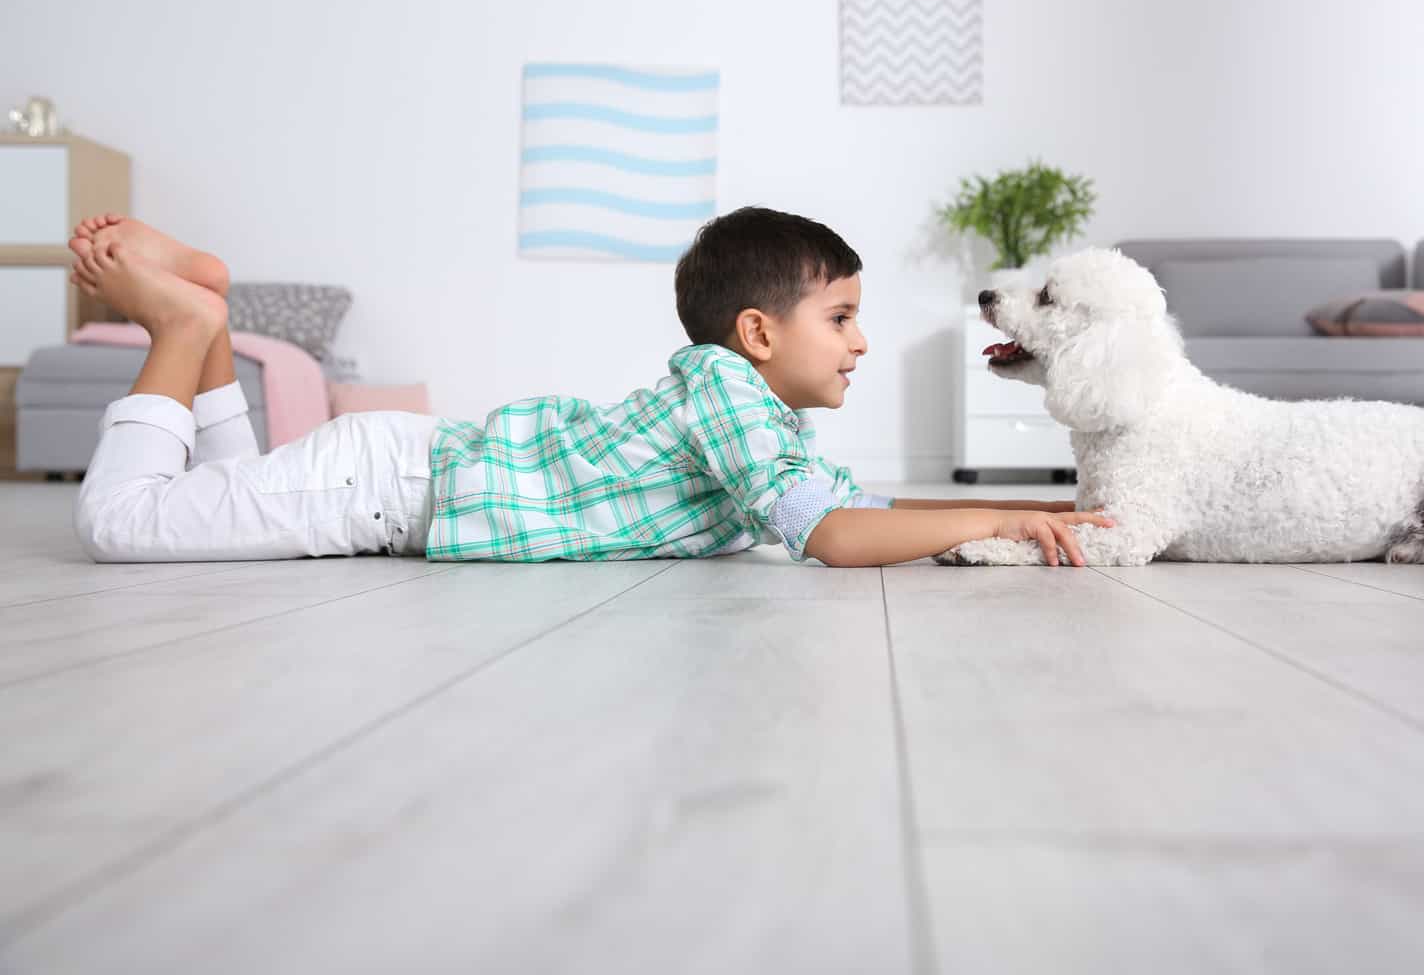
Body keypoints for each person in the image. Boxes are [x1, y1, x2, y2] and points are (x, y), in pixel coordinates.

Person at [68, 207, 1111, 567]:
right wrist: (1006, 517)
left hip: (388, 475)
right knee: (125, 523)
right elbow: (832, 536)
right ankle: (187, 322)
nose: (861, 343)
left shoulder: (757, 421)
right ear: (755, 333)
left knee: (229, 482)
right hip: (383, 492)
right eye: (839, 317)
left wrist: (1006, 517)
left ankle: (206, 298)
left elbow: (858, 511)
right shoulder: (723, 390)